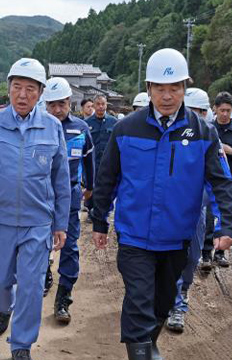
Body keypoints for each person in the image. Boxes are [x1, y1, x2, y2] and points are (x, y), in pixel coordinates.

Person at [90, 48, 232, 360]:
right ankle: (142, 352)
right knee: (139, 299)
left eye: (174, 88)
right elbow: (107, 177)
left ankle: (145, 344)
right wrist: (99, 220)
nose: (167, 96)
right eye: (160, 89)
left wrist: (226, 226)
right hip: (134, 237)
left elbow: (222, 183)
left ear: (184, 87)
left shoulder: (203, 133)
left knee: (162, 303)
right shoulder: (126, 128)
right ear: (149, 89)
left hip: (176, 238)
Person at [0, 58, 70, 360]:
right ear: (8, 89)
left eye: (30, 89)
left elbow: (61, 179)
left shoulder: (51, 128)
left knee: (32, 286)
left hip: (37, 222)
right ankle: (3, 307)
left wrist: (60, 223)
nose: (23, 95)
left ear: (40, 93)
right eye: (17, 88)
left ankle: (21, 344)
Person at [43, 77, 95, 324]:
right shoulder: (38, 127)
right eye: (51, 105)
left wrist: (91, 187)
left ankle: (64, 296)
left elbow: (89, 162)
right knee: (39, 239)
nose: (57, 109)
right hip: (41, 194)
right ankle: (43, 274)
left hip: (71, 194)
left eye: (61, 104)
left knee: (70, 244)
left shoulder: (81, 129)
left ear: (69, 103)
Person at [165, 88, 212, 334]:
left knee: (192, 258)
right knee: (169, 258)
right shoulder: (171, 140)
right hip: (171, 212)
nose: (196, 116)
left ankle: (182, 293)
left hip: (197, 212)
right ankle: (175, 305)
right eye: (192, 111)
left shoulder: (209, 141)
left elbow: (221, 181)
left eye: (200, 111)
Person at [202, 91, 232, 270]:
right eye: (222, 110)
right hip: (212, 181)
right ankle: (206, 253)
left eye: (228, 110)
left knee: (226, 216)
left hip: (229, 181)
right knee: (210, 216)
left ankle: (220, 253)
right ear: (215, 109)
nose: (225, 114)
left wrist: (228, 150)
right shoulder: (208, 129)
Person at [84, 95, 117, 215]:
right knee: (91, 186)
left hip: (108, 163)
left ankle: (105, 211)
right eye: (98, 104)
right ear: (94, 105)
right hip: (92, 162)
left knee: (107, 187)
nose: (100, 107)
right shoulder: (87, 123)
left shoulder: (113, 122)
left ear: (106, 105)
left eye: (103, 104)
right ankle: (90, 210)